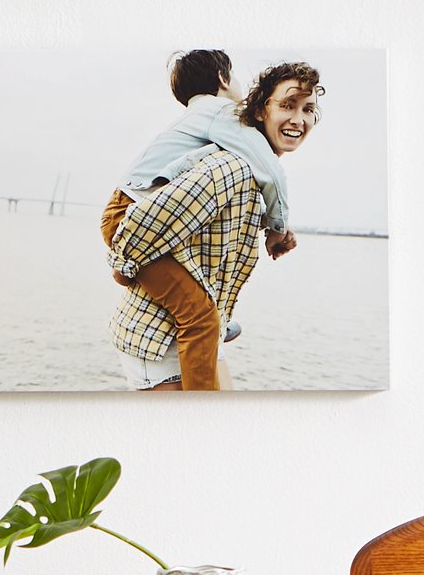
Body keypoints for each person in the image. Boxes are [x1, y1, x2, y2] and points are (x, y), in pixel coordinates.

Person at [107, 60, 322, 389]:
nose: (298, 119)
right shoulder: (231, 163)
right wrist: (125, 264)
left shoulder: (241, 164)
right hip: (159, 345)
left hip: (196, 340)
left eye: (308, 109)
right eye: (287, 105)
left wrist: (271, 223)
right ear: (260, 110)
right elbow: (136, 224)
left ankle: (216, 323)